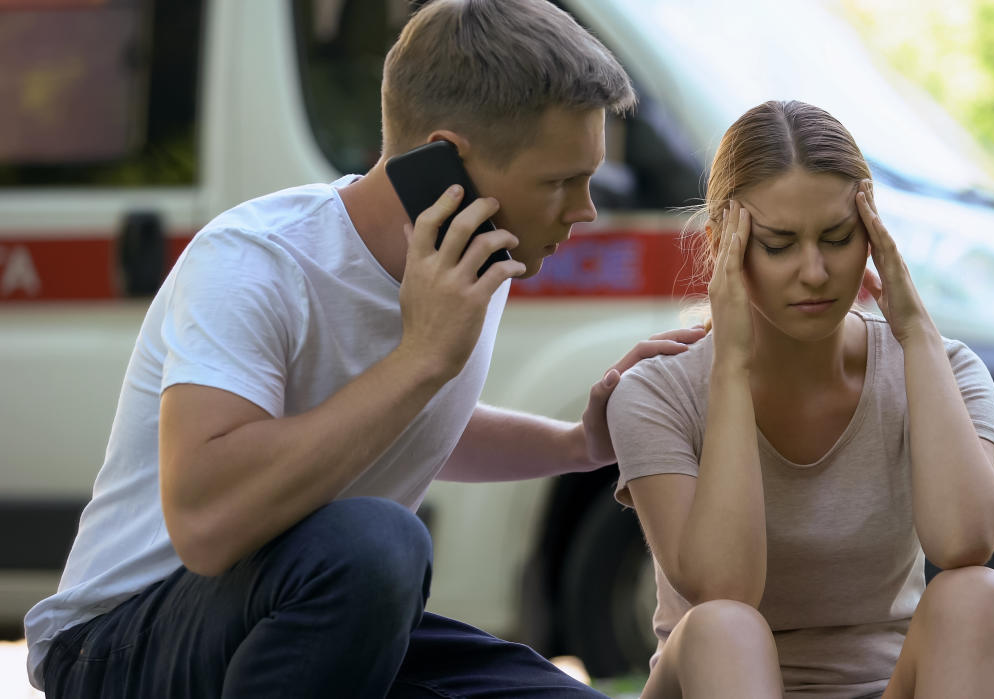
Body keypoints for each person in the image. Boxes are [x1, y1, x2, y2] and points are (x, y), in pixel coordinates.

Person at [23, 1, 705, 697]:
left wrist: (577, 444)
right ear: (449, 163)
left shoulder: (469, 256)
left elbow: (402, 422)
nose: (584, 209)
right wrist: (421, 359)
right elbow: (205, 524)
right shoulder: (256, 260)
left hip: (306, 617)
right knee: (379, 542)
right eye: (560, 182)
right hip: (118, 642)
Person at [606, 100, 994, 699]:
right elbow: (726, 584)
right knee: (725, 624)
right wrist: (731, 367)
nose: (815, 271)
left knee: (979, 594)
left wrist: (915, 333)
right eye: (778, 244)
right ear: (727, 243)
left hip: (885, 684)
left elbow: (966, 540)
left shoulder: (944, 369)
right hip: (716, 682)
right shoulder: (656, 393)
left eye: (838, 237)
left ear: (873, 232)